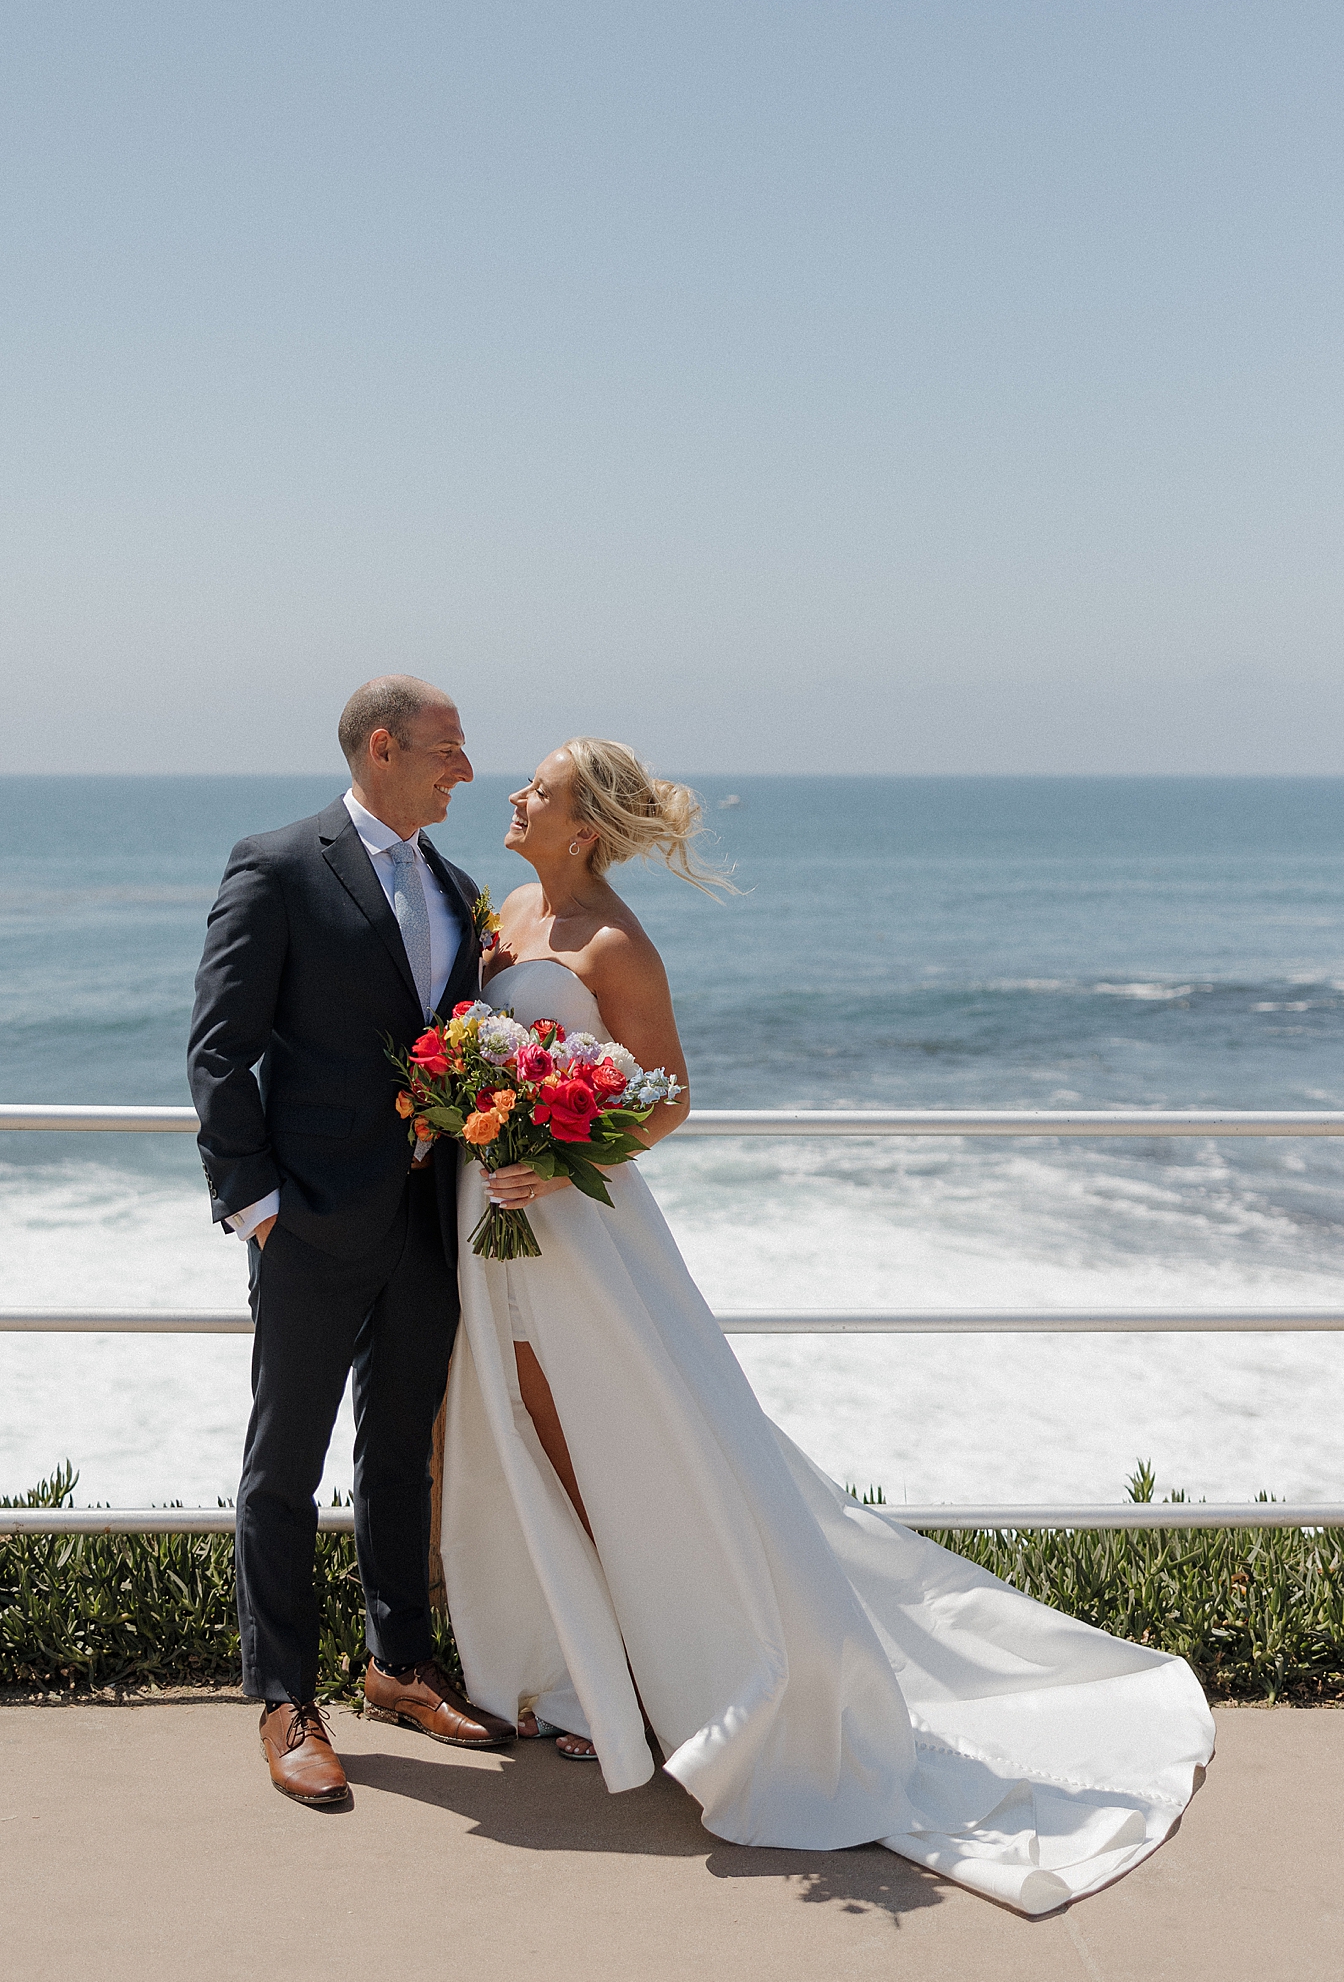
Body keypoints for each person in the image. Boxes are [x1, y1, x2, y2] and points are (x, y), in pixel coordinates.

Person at [437, 738, 1215, 1915]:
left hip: (577, 1228)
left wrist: (558, 1154)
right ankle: (579, 1666)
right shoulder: (506, 911)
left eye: (536, 790)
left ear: (582, 821)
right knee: (520, 1437)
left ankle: (659, 1679)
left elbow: (670, 1095)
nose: (514, 797)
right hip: (486, 1213)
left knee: (624, 1444)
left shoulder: (614, 943)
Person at [188, 675, 515, 1808]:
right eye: (448, 750)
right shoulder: (278, 865)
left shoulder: (460, 889)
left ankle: (395, 1664)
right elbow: (220, 1048)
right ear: (385, 747)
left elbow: (461, 1056)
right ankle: (282, 1697)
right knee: (283, 1467)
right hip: (309, 1224)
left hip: (427, 1222)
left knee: (398, 1454)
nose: (465, 771)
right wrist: (258, 1206)